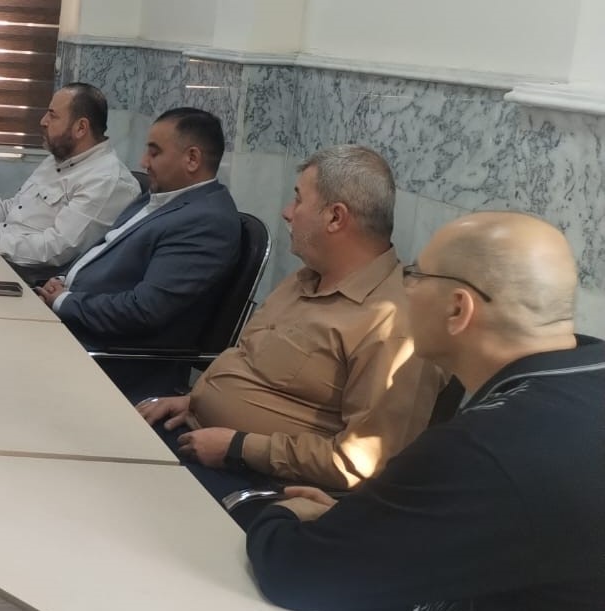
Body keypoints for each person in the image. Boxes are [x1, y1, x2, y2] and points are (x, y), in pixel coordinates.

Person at [246, 212, 605, 611]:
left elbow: (297, 574)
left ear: (457, 309)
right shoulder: (585, 373)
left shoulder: (484, 445)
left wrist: (280, 512)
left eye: (415, 276)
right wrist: (371, 525)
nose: (406, 288)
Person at [136, 145, 448, 501]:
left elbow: (363, 464)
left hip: (254, 481)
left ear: (335, 218)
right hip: (194, 431)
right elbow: (254, 368)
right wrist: (195, 400)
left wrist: (240, 447)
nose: (287, 212)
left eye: (298, 200)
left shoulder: (394, 326)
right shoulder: (307, 278)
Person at [34, 107, 241, 400]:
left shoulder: (207, 222)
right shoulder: (158, 198)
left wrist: (64, 301)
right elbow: (103, 252)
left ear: (192, 159)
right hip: (75, 326)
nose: (143, 162)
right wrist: (63, 281)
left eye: (154, 152)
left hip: (110, 359)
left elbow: (144, 310)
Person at [0, 83, 140, 284]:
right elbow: (12, 208)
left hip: (29, 284)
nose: (43, 121)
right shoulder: (60, 159)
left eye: (53, 115)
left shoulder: (105, 180)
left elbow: (56, 249)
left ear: (81, 128)